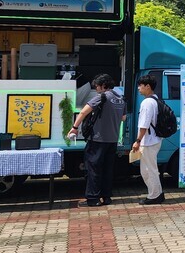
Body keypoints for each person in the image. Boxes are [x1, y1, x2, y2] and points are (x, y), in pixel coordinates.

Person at [68, 73, 126, 207]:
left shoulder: (102, 97)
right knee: (107, 169)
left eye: (97, 87)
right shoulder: (121, 99)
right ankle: (106, 197)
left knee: (93, 169)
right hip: (113, 140)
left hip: (98, 139)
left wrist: (74, 128)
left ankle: (93, 198)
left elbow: (83, 111)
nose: (96, 89)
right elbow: (123, 118)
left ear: (103, 86)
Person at [132, 74, 165, 205]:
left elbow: (144, 125)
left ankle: (154, 196)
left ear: (148, 86)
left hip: (148, 141)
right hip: (155, 139)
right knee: (151, 168)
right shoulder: (156, 100)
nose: (139, 88)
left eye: (140, 85)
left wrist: (137, 141)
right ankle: (158, 193)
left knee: (148, 170)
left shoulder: (147, 102)